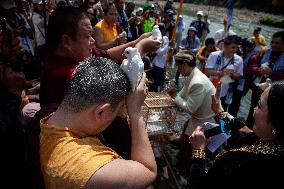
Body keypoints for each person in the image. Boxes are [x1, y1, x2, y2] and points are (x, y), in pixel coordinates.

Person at [40, 56, 157, 189]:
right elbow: (148, 170)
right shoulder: (91, 169)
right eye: (120, 110)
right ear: (101, 112)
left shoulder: (48, 116)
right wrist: (135, 112)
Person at [40, 6, 160, 108]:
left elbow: (108, 54)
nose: (93, 41)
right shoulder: (66, 74)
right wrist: (141, 48)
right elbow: (114, 92)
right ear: (66, 41)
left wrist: (138, 41)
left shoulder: (76, 54)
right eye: (87, 36)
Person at [187, 80, 284, 189]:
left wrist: (198, 151)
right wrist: (219, 112)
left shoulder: (247, 164)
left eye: (259, 105)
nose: (254, 109)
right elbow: (239, 138)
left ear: (277, 120)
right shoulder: (268, 140)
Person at [246, 31, 284, 128]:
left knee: (268, 116)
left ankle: (262, 136)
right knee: (253, 110)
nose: (273, 45)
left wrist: (272, 73)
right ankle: (247, 131)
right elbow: (254, 65)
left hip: (275, 92)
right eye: (272, 42)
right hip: (259, 87)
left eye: (277, 43)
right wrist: (259, 70)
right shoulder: (265, 52)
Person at [205, 35, 243, 111]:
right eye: (233, 47)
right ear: (225, 46)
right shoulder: (214, 55)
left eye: (236, 47)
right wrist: (221, 73)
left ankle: (220, 123)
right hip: (211, 90)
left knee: (221, 116)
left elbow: (239, 76)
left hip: (225, 94)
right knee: (206, 112)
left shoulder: (239, 60)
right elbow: (207, 71)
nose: (235, 50)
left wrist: (232, 74)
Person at [151, 23, 169, 92]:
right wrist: (167, 47)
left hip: (163, 64)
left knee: (162, 81)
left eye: (161, 31)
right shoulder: (156, 40)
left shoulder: (166, 38)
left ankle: (159, 92)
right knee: (156, 81)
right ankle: (155, 92)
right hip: (157, 64)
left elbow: (166, 53)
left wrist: (166, 64)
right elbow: (159, 52)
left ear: (164, 31)